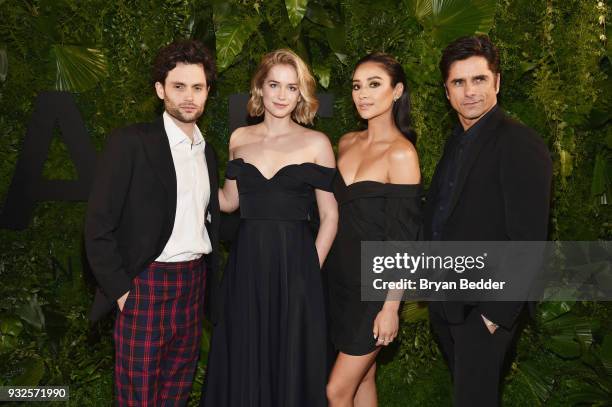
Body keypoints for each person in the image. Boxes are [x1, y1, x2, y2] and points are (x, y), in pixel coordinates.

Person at [84, 39, 221, 406]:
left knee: (176, 394)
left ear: (208, 91)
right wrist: (123, 293)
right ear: (161, 90)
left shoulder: (208, 152)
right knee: (137, 398)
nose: (189, 96)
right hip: (146, 286)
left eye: (198, 87)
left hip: (193, 285)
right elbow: (98, 226)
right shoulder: (131, 143)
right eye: (179, 87)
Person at [201, 49, 338, 407]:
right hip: (246, 266)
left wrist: (311, 267)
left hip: (297, 267)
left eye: (291, 87)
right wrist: (186, 182)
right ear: (259, 88)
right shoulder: (239, 139)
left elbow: (330, 215)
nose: (281, 95)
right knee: (245, 354)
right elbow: (230, 201)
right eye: (273, 84)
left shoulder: (316, 143)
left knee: (290, 359)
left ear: (301, 94)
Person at [423, 35, 552, 406]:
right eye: (458, 82)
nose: (469, 92)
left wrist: (495, 315)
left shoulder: (519, 142)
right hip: (447, 302)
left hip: (483, 308)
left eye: (479, 79)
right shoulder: (456, 142)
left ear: (497, 81)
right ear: (447, 92)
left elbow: (529, 237)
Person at [325, 53, 422, 407]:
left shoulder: (401, 154)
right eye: (356, 85)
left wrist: (391, 307)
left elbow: (404, 239)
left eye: (374, 84)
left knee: (336, 391)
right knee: (364, 378)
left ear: (397, 91)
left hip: (374, 288)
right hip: (338, 282)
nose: (363, 94)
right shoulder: (346, 142)